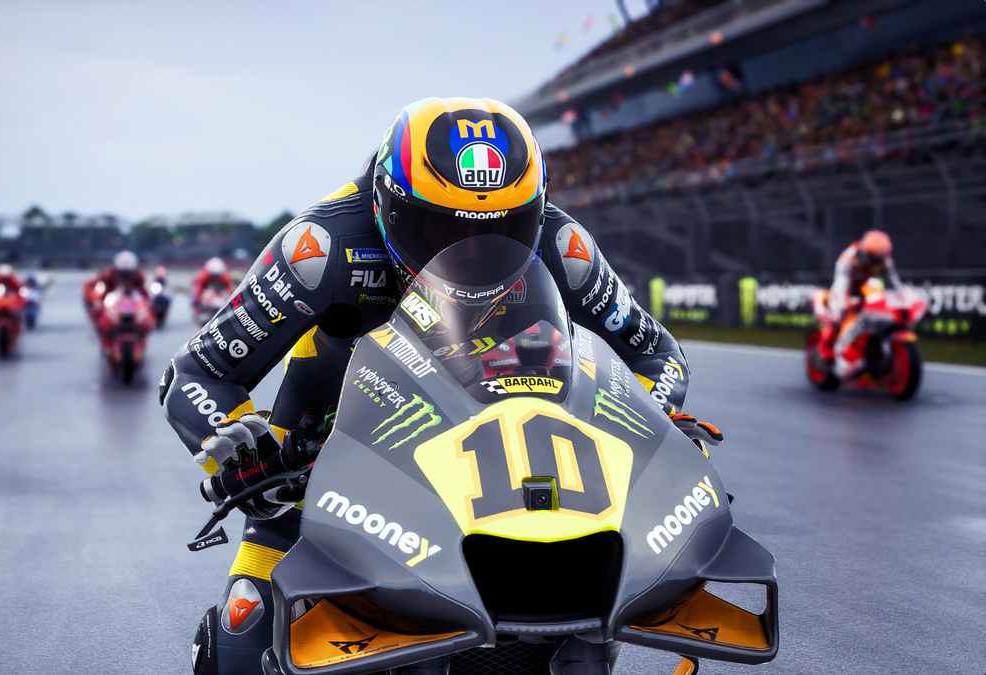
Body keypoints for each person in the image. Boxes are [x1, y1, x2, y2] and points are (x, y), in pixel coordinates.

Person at [159, 97, 720, 674]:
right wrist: (243, 450)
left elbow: (657, 355)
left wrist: (646, 423)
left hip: (506, 458)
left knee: (601, 589)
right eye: (443, 229)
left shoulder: (563, 247)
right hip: (318, 458)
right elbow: (195, 372)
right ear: (388, 205)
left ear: (536, 209)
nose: (472, 251)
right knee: (244, 642)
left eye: (502, 228)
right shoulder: (321, 248)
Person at [822, 229, 904, 377]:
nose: (877, 263)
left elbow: (895, 283)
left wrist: (903, 298)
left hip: (865, 286)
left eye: (881, 259)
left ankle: (868, 346)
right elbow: (840, 284)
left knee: (879, 298)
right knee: (838, 314)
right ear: (865, 253)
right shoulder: (849, 258)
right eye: (874, 259)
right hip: (846, 288)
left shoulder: (884, 260)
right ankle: (834, 351)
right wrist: (844, 303)